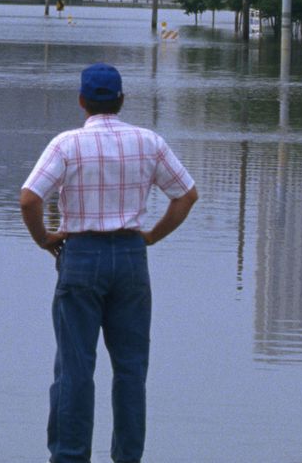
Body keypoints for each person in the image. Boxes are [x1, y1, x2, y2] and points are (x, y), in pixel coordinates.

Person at [20, 62, 198, 463]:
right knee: (131, 370)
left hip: (81, 255)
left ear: (82, 101)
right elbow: (186, 194)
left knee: (75, 369)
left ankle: (69, 456)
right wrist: (152, 235)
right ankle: (128, 456)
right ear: (121, 100)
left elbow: (30, 199)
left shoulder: (66, 145)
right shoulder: (148, 142)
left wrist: (44, 239)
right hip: (131, 259)